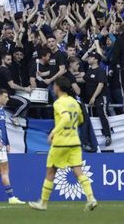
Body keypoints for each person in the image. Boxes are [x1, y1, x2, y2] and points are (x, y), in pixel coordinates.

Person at [28, 76, 97, 211]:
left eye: (54, 85)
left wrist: (53, 132)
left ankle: (43, 203)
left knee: (50, 173)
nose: (53, 88)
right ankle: (91, 198)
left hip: (61, 143)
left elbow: (65, 117)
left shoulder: (58, 103)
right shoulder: (75, 102)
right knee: (79, 172)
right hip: (74, 142)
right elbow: (81, 119)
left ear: (58, 87)